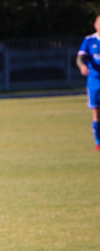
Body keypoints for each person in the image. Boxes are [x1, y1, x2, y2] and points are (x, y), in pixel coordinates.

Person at [77, 14, 100, 152]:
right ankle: (98, 142)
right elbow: (80, 57)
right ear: (95, 25)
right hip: (95, 81)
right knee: (96, 112)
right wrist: (82, 66)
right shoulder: (89, 40)